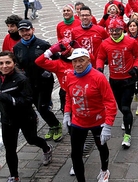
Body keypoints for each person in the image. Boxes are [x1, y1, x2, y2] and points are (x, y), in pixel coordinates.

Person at [63, 48, 117, 182]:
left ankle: (104, 171)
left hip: (97, 121)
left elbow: (110, 102)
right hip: (78, 121)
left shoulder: (98, 77)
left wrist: (108, 125)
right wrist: (67, 113)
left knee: (101, 147)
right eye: (74, 61)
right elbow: (69, 96)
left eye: (81, 60)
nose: (78, 64)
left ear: (88, 60)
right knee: (75, 154)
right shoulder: (69, 75)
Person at [0, 51, 53, 182]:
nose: (4, 66)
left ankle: (46, 148)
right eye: (1, 63)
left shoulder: (22, 79)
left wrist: (6, 97)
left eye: (8, 62)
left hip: (25, 118)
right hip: (8, 119)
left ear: (14, 63)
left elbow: (27, 100)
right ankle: (14, 176)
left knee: (31, 139)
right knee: (10, 149)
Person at [13, 20, 63, 142]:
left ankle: (57, 125)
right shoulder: (17, 48)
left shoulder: (43, 44)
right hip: (29, 83)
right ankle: (52, 126)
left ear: (33, 30)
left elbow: (57, 60)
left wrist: (49, 69)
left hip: (45, 81)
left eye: (27, 30)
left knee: (42, 108)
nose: (25, 33)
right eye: (22, 31)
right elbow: (17, 65)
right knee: (38, 106)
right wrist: (21, 74)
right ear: (19, 33)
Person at [96, 18, 138, 149]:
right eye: (112, 30)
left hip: (128, 80)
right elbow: (100, 57)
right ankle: (126, 118)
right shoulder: (105, 43)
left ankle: (127, 135)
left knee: (126, 107)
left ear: (123, 30)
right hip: (114, 80)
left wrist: (136, 67)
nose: (114, 33)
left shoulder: (131, 42)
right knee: (120, 106)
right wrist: (99, 67)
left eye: (117, 30)